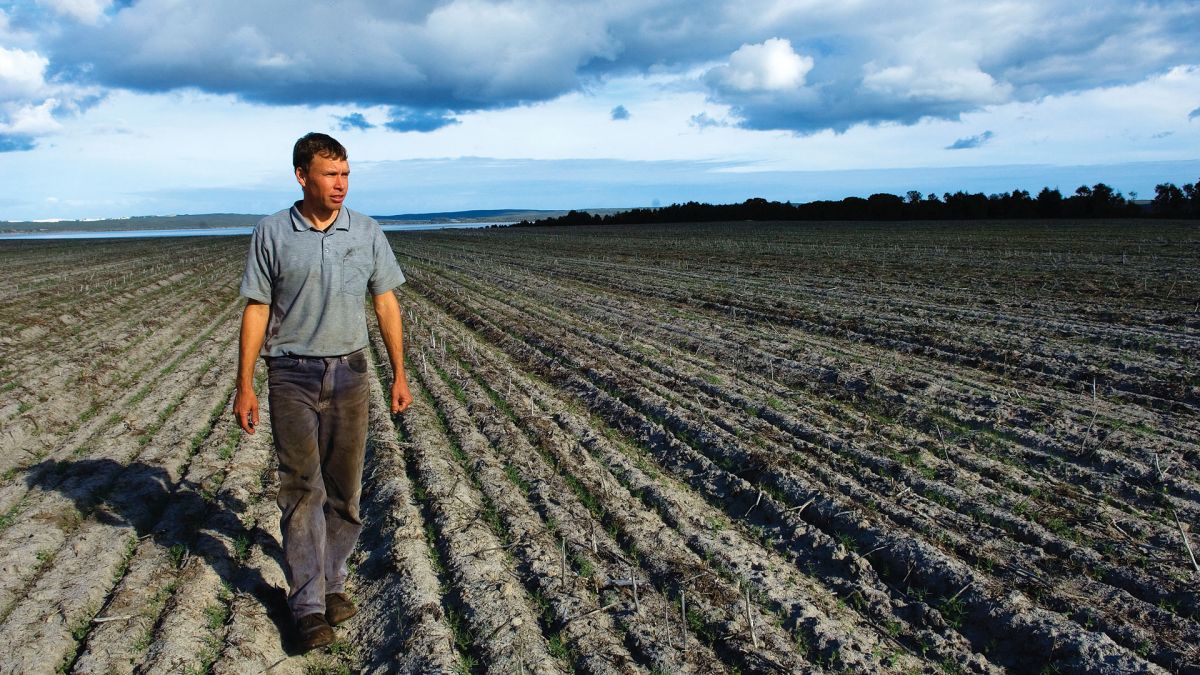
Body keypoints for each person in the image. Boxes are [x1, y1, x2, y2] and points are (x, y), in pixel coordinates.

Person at [233, 132, 412, 651]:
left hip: (352, 372)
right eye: (331, 174)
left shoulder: (368, 231)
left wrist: (399, 373)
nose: (341, 184)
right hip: (290, 374)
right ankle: (308, 604)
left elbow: (385, 304)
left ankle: (332, 581)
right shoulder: (272, 233)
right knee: (300, 488)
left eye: (346, 174)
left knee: (345, 490)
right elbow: (257, 309)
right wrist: (244, 385)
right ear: (301, 176)